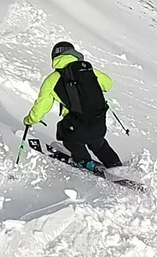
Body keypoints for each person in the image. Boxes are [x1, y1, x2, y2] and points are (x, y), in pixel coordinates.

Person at [24, 42, 122, 170]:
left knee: (66, 134)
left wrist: (30, 120)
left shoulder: (53, 79)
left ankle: (84, 162)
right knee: (97, 142)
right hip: (98, 121)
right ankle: (116, 165)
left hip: (77, 126)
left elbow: (42, 105)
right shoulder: (89, 70)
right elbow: (108, 84)